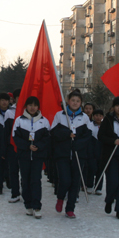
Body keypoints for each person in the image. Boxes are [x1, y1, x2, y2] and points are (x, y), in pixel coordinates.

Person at [51, 90, 91, 218]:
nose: (75, 103)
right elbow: (53, 132)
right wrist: (67, 134)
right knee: (65, 180)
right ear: (68, 101)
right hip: (62, 154)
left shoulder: (84, 118)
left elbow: (88, 136)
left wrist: (77, 143)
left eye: (78, 101)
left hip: (78, 155)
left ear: (81, 103)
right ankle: (60, 197)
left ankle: (70, 208)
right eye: (73, 100)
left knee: (75, 182)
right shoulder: (60, 115)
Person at [12, 96, 51, 219]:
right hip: (24, 155)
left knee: (36, 180)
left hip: (38, 156)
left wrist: (37, 146)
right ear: (26, 106)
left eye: (35, 105)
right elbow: (15, 137)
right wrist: (27, 146)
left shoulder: (44, 121)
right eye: (30, 105)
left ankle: (37, 206)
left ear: (38, 107)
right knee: (25, 180)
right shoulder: (19, 120)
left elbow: (47, 137)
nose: (32, 107)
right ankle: (28, 204)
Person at [4, 88, 21, 203]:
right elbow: (5, 133)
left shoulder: (31, 112)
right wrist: (4, 149)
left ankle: (26, 193)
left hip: (26, 147)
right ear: (14, 98)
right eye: (19, 97)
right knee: (13, 171)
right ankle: (15, 193)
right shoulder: (9, 113)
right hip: (12, 147)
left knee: (26, 173)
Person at [86, 109, 104, 194]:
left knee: (100, 169)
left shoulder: (105, 126)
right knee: (91, 168)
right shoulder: (89, 125)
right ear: (93, 116)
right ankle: (89, 185)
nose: (98, 117)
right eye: (96, 115)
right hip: (91, 149)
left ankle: (98, 187)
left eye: (100, 116)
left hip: (101, 149)